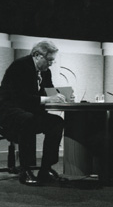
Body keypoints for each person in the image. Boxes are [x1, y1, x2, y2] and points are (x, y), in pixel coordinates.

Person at [0, 41, 68, 186]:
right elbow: (19, 97)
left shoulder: (45, 72)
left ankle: (46, 168)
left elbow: (49, 90)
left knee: (56, 122)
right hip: (10, 112)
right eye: (49, 60)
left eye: (52, 61)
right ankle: (26, 169)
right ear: (37, 55)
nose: (50, 64)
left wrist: (61, 95)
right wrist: (47, 98)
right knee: (28, 120)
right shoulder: (19, 66)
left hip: (29, 111)